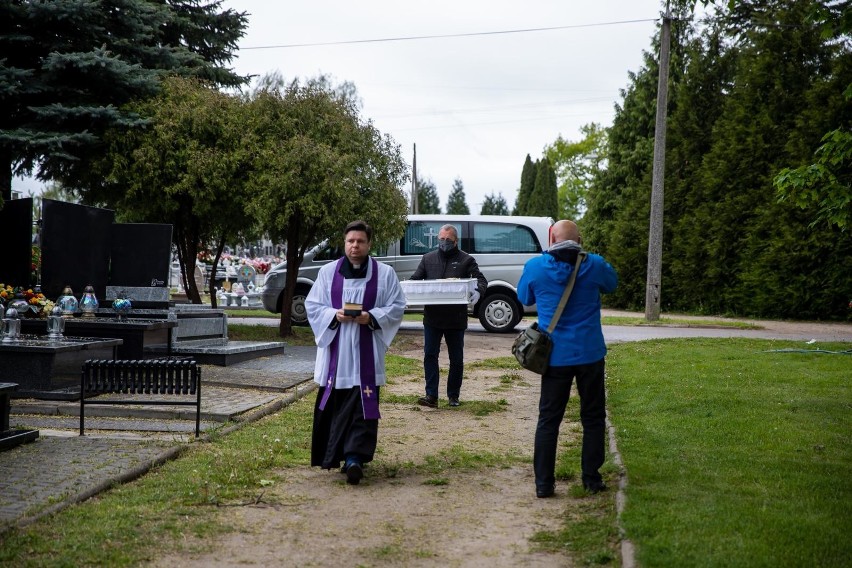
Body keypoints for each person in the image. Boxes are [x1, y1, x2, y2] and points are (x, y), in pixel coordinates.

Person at [516, 220, 618, 498]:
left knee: (549, 419)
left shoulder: (535, 266)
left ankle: (544, 484)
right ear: (580, 239)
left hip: (555, 356)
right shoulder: (594, 264)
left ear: (551, 238)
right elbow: (613, 284)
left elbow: (524, 297)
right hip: (590, 353)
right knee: (593, 416)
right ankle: (591, 478)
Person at [306, 220, 407, 485]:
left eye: (360, 241)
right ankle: (337, 455)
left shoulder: (384, 274)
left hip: (366, 353)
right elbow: (313, 305)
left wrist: (371, 317)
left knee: (363, 405)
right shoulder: (328, 273)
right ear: (344, 243)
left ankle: (354, 459)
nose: (355, 246)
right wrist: (333, 314)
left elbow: (397, 306)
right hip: (336, 355)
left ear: (369, 244)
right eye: (350, 241)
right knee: (338, 406)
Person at [410, 224, 487, 408]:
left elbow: (481, 280)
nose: (444, 243)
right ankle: (431, 396)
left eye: (448, 240)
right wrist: (408, 291)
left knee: (456, 359)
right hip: (432, 317)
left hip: (455, 318)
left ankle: (453, 396)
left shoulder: (466, 260)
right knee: (430, 355)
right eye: (441, 239)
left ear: (455, 241)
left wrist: (478, 292)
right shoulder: (428, 259)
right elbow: (415, 279)